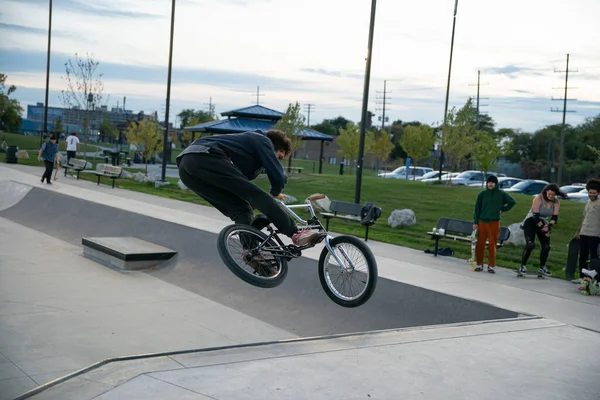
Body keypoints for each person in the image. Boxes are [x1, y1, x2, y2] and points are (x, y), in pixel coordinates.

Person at [176, 129, 321, 248]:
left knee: (241, 210)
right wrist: (275, 193)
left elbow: (239, 190)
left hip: (186, 170)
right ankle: (295, 233)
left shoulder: (249, 161)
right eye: (280, 155)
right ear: (273, 146)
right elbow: (278, 176)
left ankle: (250, 253)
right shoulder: (262, 140)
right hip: (205, 155)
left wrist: (257, 210)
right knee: (256, 193)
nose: (279, 159)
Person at [518, 183, 566, 277]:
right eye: (549, 194)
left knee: (547, 246)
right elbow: (535, 215)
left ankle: (542, 267)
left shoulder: (556, 202)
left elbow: (554, 217)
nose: (551, 196)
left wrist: (549, 227)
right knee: (531, 244)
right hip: (531, 220)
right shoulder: (538, 198)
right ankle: (523, 266)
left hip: (544, 222)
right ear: (546, 191)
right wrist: (543, 228)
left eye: (553, 195)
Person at [473, 175, 517, 273]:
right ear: (487, 183)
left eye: (492, 182)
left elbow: (513, 202)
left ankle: (491, 266)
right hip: (482, 221)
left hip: (494, 222)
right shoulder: (482, 194)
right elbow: (477, 209)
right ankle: (479, 264)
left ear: (496, 184)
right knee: (480, 244)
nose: (490, 184)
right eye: (489, 182)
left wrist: (503, 209)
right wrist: (476, 222)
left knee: (492, 244)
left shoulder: (501, 194)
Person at [574, 179, 600, 282]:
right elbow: (584, 218)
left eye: (594, 193)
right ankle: (582, 277)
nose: (592, 195)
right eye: (590, 193)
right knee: (583, 256)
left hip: (595, 233)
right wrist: (578, 231)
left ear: (598, 193)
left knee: (593, 257)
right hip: (584, 232)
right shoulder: (588, 203)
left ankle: (593, 278)